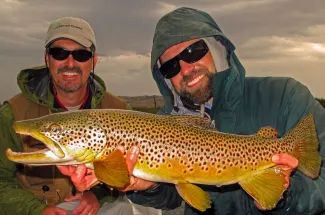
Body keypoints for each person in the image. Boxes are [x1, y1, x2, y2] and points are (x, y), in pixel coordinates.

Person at [58, 7, 325, 215]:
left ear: (218, 50)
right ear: (164, 78)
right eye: (171, 67)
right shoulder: (164, 124)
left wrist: (286, 194)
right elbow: (174, 196)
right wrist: (143, 185)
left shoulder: (286, 96)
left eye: (193, 51)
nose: (186, 69)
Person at [0, 17, 161, 215]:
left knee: (148, 210)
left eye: (81, 55)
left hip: (100, 209)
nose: (70, 63)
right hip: (37, 208)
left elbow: (130, 173)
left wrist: (98, 195)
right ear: (46, 58)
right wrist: (36, 210)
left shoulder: (119, 111)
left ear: (93, 60)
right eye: (59, 53)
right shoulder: (13, 114)